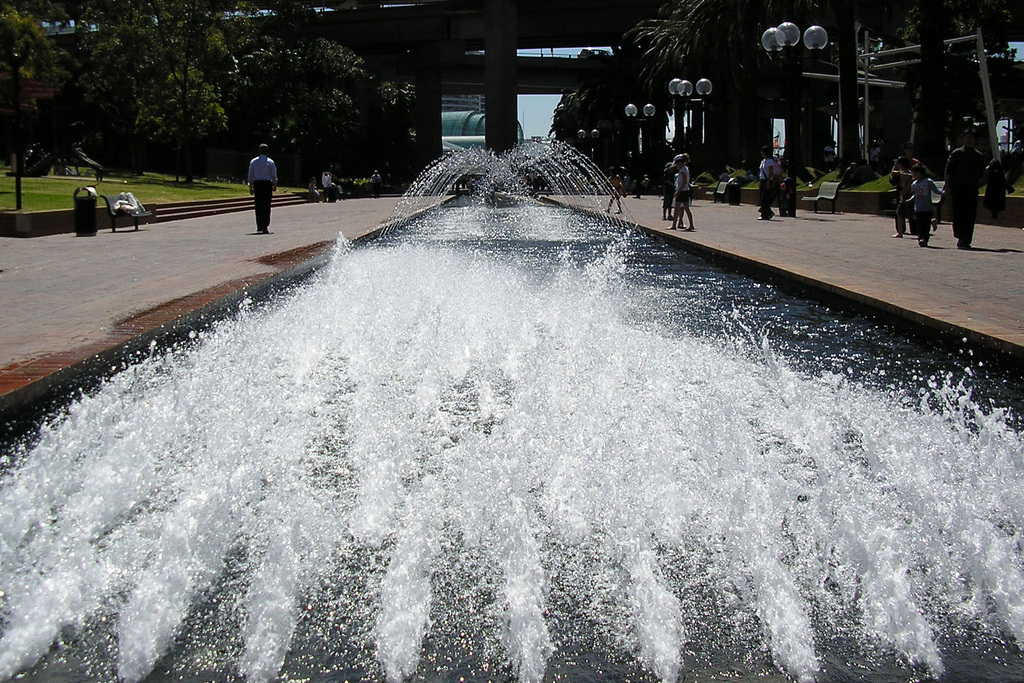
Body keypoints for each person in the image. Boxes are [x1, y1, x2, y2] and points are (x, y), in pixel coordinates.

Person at [944, 130, 987, 249]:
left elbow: (982, 173)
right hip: (958, 187)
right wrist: (947, 186)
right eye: (967, 138)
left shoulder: (978, 156)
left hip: (972, 188)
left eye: (971, 138)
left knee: (970, 214)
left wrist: (993, 167)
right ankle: (960, 237)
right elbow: (948, 171)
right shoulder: (957, 153)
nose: (969, 140)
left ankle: (967, 238)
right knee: (958, 213)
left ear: (975, 141)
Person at [905, 164, 942, 247]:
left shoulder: (928, 182)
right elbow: (915, 194)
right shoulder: (914, 184)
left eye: (914, 173)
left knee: (925, 224)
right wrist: (911, 199)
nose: (912, 175)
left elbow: (935, 190)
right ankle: (921, 238)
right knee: (920, 224)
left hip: (927, 207)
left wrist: (943, 193)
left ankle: (925, 238)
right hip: (918, 208)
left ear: (919, 173)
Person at [247, 143, 277, 234]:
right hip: (267, 184)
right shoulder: (270, 162)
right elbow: (273, 174)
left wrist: (251, 187)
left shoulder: (253, 161)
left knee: (258, 205)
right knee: (266, 205)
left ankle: (259, 225)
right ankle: (265, 226)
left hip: (258, 184)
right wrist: (274, 184)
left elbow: (250, 175)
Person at [889, 156, 915, 238]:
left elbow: (906, 184)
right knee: (911, 213)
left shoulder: (904, 173)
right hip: (911, 194)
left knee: (900, 213)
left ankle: (900, 232)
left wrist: (903, 193)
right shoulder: (909, 172)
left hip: (906, 194)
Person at [670, 153, 694, 231]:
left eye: (676, 164)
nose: (676, 166)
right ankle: (676, 225)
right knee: (682, 208)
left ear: (680, 162)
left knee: (681, 209)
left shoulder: (683, 170)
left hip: (682, 191)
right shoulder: (685, 169)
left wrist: (678, 191)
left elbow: (684, 182)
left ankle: (675, 225)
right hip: (685, 191)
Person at [757, 145, 781, 220]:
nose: (761, 153)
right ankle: (765, 213)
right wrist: (760, 182)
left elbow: (770, 173)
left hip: (767, 180)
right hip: (762, 180)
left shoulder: (770, 161)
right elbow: (761, 172)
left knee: (765, 198)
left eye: (762, 151)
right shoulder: (763, 161)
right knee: (761, 198)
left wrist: (768, 182)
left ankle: (767, 213)